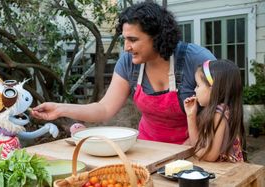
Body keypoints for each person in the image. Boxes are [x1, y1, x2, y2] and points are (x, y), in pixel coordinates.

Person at [31, 1, 216, 144]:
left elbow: (222, 110)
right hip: (149, 148)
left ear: (158, 37)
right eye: (125, 39)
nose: (126, 47)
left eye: (133, 40)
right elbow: (104, 109)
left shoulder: (196, 60)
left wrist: (192, 146)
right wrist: (60, 108)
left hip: (194, 147)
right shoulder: (129, 62)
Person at [184, 59, 245, 162]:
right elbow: (200, 146)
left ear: (212, 88)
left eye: (198, 85)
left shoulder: (218, 115)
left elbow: (208, 156)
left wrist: (190, 118)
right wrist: (191, 115)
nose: (195, 90)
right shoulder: (227, 109)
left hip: (227, 175)